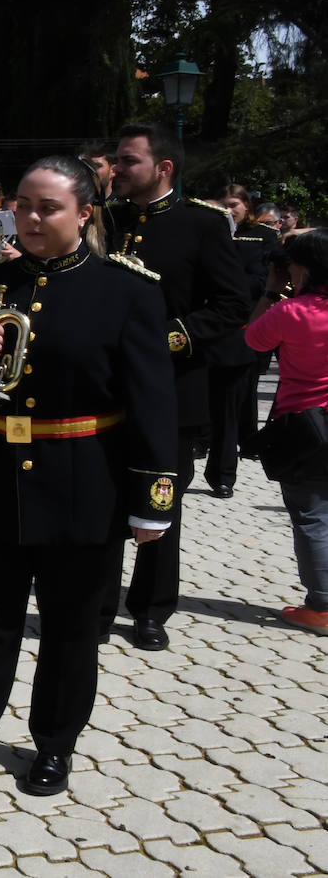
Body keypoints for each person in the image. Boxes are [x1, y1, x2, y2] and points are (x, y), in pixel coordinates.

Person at [0, 155, 177, 819]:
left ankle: (54, 743)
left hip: (84, 479)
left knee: (69, 629)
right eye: (24, 204)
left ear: (85, 212)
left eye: (48, 207)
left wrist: (153, 498)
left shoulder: (127, 289)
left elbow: (152, 399)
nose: (30, 218)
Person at [100, 121, 248, 651]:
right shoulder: (105, 220)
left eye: (128, 160)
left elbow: (233, 304)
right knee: (102, 497)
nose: (116, 168)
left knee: (160, 498)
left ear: (164, 168)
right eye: (115, 159)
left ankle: (151, 607)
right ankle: (96, 605)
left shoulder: (202, 224)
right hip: (104, 387)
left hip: (171, 389)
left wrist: (170, 338)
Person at [245, 229, 328, 635]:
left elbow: (253, 339)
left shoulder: (292, 311)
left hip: (306, 427)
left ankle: (322, 607)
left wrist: (272, 291)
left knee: (312, 516)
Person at [204, 184, 280, 497]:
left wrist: (219, 281)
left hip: (238, 330)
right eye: (223, 203)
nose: (228, 209)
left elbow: (261, 281)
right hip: (199, 329)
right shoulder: (205, 231)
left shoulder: (262, 236)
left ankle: (223, 473)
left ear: (247, 206)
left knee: (229, 406)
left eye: (233, 204)